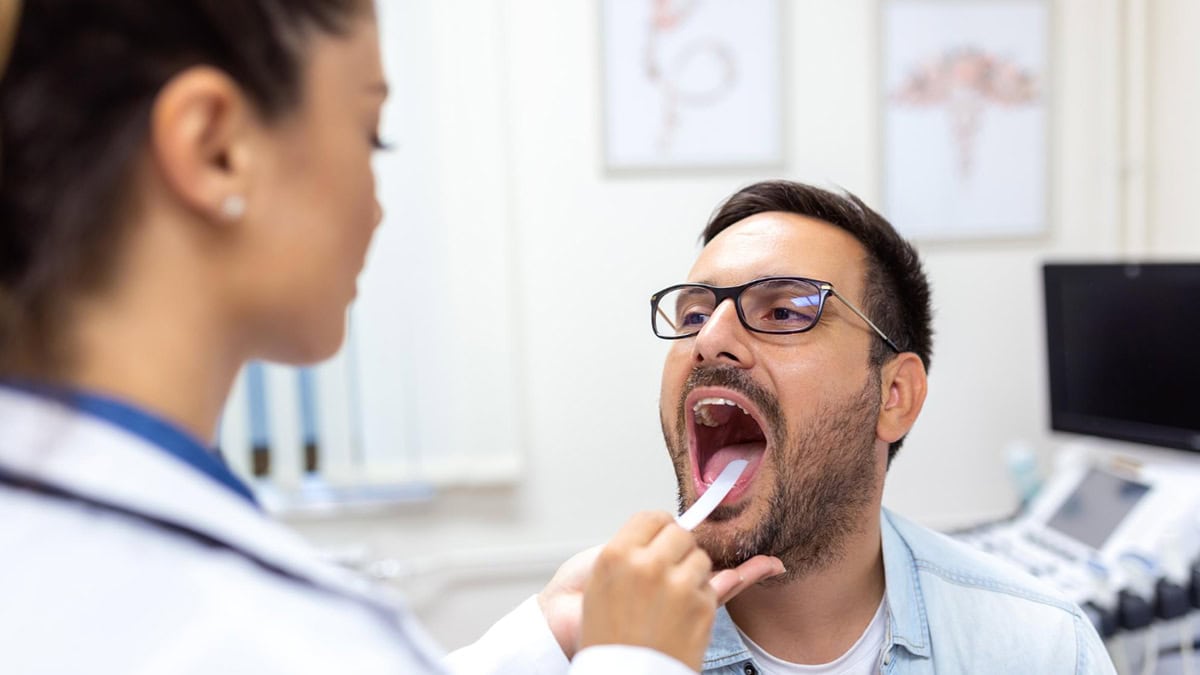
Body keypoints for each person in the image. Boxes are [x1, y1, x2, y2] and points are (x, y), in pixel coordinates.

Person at [0, 1, 781, 673]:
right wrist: (634, 662)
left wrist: (556, 636)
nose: (376, 208)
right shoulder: (258, 630)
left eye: (784, 312)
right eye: (372, 134)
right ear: (215, 146)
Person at [651, 180, 1117, 673]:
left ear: (895, 395)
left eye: (785, 312)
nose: (710, 338)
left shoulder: (1043, 650)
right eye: (694, 315)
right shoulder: (586, 646)